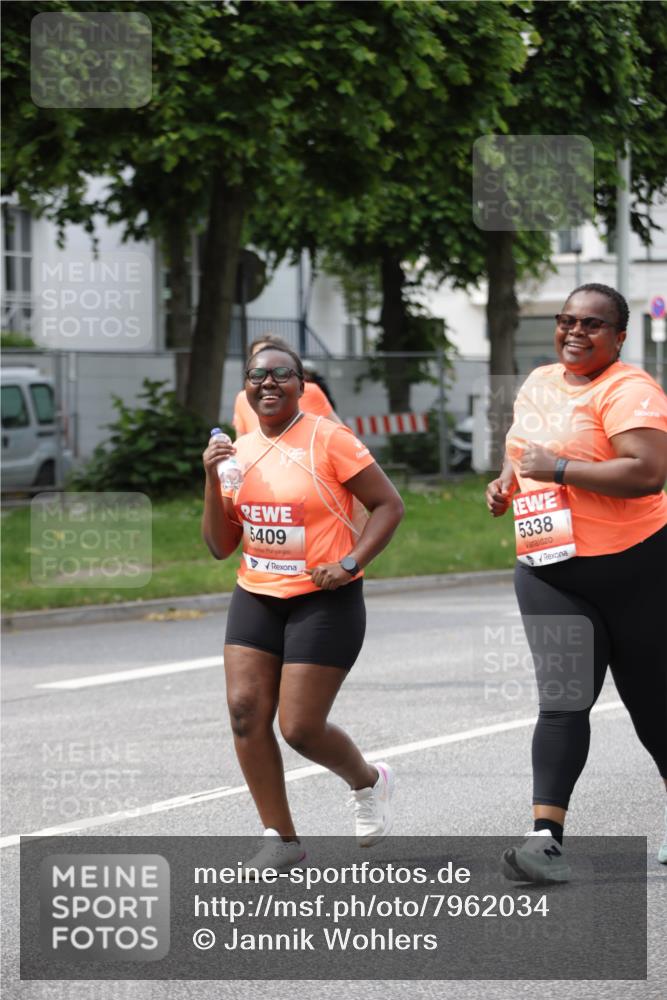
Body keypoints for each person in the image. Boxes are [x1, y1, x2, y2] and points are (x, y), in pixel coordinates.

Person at [486, 283, 667, 883]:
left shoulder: (630, 390)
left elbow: (646, 474)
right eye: (567, 321)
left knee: (651, 701)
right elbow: (523, 452)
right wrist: (508, 479)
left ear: (619, 337)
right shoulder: (539, 381)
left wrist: (559, 469)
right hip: (549, 568)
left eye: (592, 325)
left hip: (635, 566)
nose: (574, 332)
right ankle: (545, 838)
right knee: (564, 701)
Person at [202, 343, 404, 872]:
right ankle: (281, 839)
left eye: (281, 375)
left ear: (301, 384)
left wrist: (352, 562)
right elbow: (221, 545)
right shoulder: (239, 451)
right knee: (246, 713)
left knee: (300, 727)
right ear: (245, 386)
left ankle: (368, 781)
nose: (268, 384)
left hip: (325, 595)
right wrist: (210, 477)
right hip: (256, 593)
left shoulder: (328, 438)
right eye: (257, 376)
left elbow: (389, 505)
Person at [232, 334, 341, 436]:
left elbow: (339, 435)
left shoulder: (310, 391)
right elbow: (240, 445)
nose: (268, 382)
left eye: (271, 354)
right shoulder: (243, 398)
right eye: (259, 355)